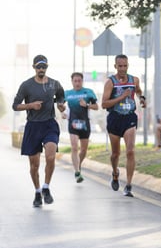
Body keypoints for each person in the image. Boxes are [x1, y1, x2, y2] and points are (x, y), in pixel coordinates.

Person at [12, 55, 66, 207]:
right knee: (34, 165)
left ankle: (46, 187)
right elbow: (15, 106)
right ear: (34, 67)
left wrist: (61, 105)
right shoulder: (26, 85)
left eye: (44, 67)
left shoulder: (54, 83)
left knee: (50, 157)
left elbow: (61, 96)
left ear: (47, 67)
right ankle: (37, 191)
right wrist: (31, 105)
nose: (41, 69)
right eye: (38, 67)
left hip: (49, 125)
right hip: (33, 126)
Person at [101, 54, 146, 197]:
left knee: (130, 151)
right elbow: (104, 104)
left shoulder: (134, 80)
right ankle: (115, 173)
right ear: (115, 66)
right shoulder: (110, 82)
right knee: (115, 154)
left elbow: (138, 91)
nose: (122, 69)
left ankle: (128, 185)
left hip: (129, 118)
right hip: (114, 118)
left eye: (125, 66)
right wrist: (121, 96)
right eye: (120, 66)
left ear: (128, 65)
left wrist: (142, 99)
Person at [62, 72, 98, 183]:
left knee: (83, 150)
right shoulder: (67, 93)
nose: (77, 83)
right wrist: (62, 112)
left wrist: (86, 105)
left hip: (85, 124)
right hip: (72, 123)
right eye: (75, 81)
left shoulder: (88, 92)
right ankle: (77, 171)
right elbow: (61, 105)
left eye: (79, 81)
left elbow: (96, 107)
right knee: (74, 147)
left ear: (82, 81)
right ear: (72, 81)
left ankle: (78, 165)